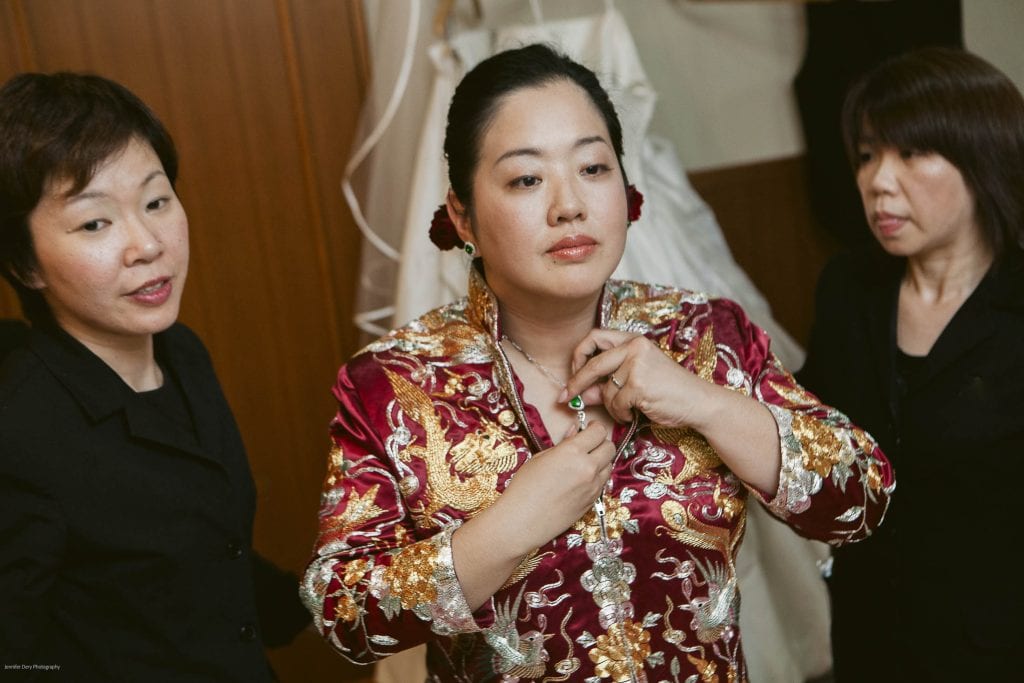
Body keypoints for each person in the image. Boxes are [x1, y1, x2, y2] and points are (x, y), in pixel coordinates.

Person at [302, 44, 893, 682]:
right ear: (461, 215)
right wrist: (505, 530)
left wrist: (704, 402)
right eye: (527, 179)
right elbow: (344, 615)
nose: (569, 206)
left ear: (626, 189)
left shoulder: (705, 334)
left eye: (592, 167)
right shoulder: (392, 386)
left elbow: (860, 495)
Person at [0, 73, 308, 680]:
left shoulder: (179, 350)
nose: (146, 244)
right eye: (95, 223)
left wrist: (354, 606)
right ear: (24, 263)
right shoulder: (19, 435)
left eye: (156, 201)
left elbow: (207, 551)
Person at [797, 46, 1024, 681]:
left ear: (983, 158)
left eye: (911, 152)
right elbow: (813, 430)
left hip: (997, 646)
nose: (877, 180)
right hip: (869, 630)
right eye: (868, 154)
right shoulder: (850, 285)